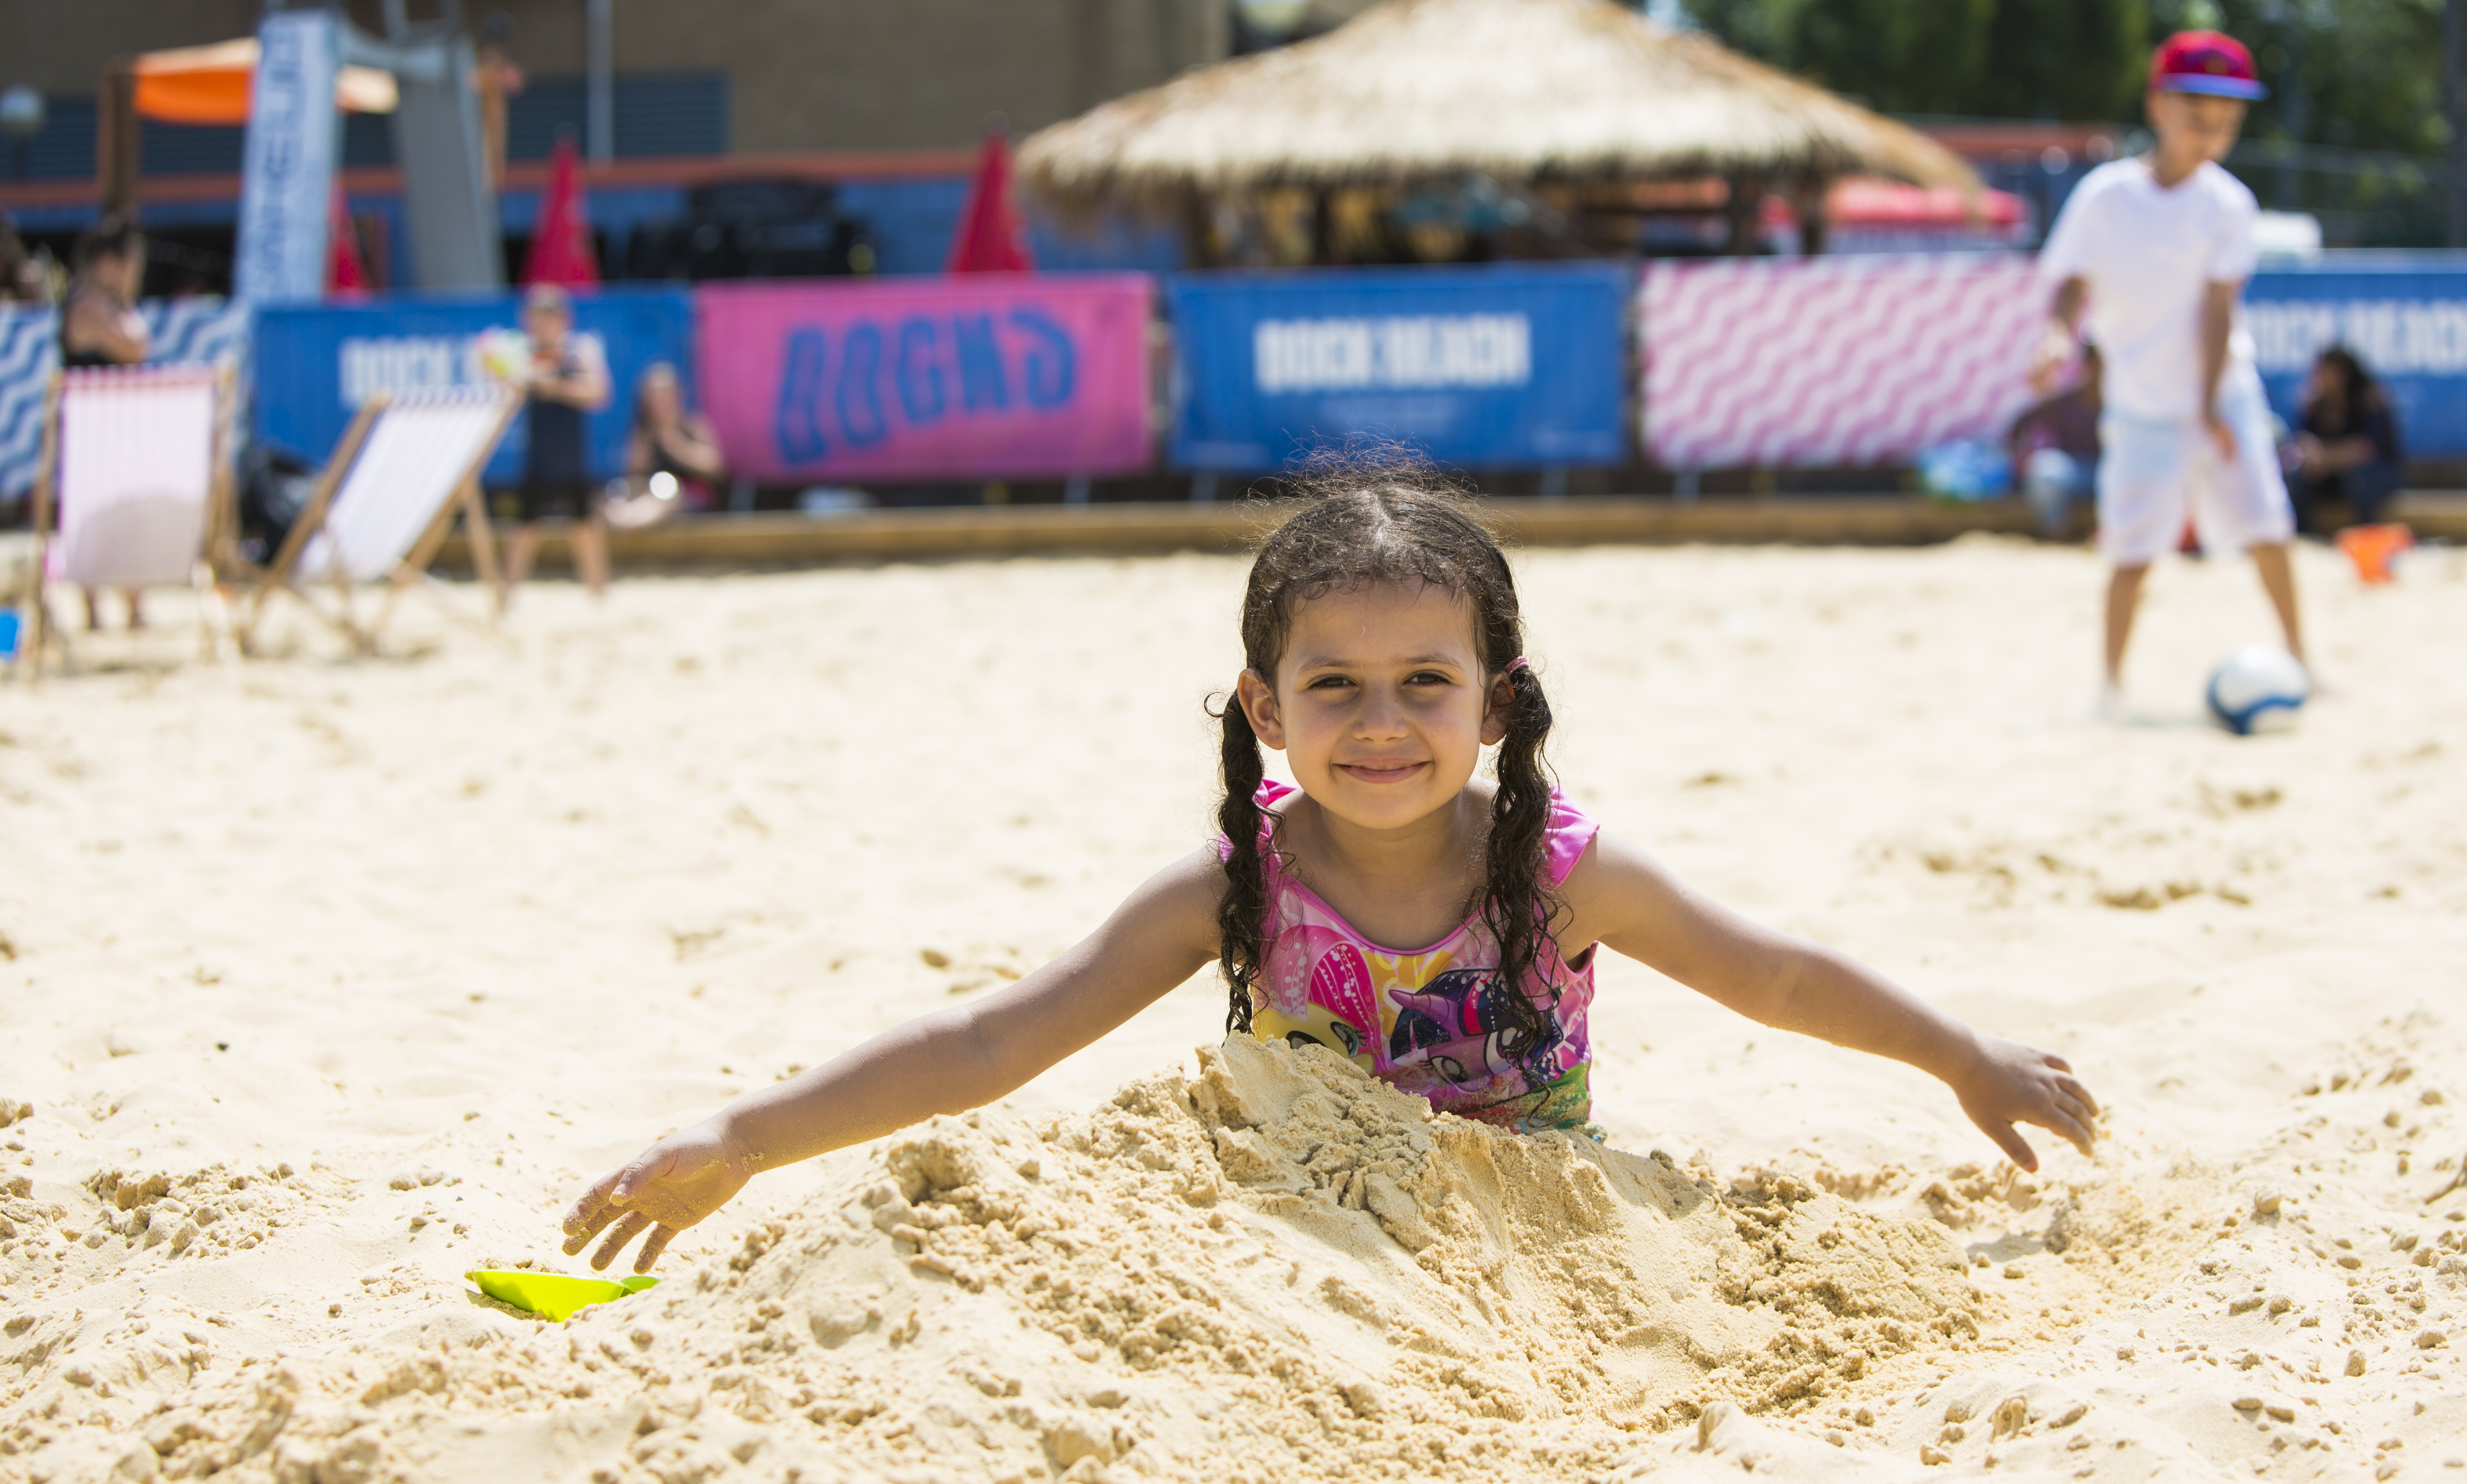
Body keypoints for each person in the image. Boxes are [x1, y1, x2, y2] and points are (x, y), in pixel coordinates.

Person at [562, 476, 2101, 1274]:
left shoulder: (1558, 874)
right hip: (1293, 1239)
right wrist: (744, 1135)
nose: (1379, 724)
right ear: (1264, 706)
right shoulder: (1229, 887)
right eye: (1334, 687)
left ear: (1494, 701)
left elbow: (1769, 972)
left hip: (1540, 1237)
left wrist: (1957, 1054)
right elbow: (987, 1041)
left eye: (1424, 682)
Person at [2030, 30, 2303, 717]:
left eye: (2226, 114)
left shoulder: (2228, 205)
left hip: (2223, 396)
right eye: (2197, 108)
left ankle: (2301, 663)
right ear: (2157, 105)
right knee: (2129, 549)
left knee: (2266, 526)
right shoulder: (2104, 196)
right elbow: (2069, 281)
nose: (2211, 125)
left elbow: (2216, 313)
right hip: (2140, 402)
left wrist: (2210, 405)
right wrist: (2057, 337)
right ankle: (2110, 687)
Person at [61, 215, 152, 632]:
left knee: (126, 519)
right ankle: (99, 610)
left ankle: (129, 606)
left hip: (113, 429)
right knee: (100, 520)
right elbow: (135, 347)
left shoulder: (101, 304)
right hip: (92, 432)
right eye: (132, 265)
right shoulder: (88, 305)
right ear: (110, 264)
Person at [500, 283, 613, 608]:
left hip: (571, 455)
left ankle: (598, 596)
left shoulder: (579, 350)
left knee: (586, 526)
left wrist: (552, 385)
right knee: (524, 527)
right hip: (538, 455)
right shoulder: (523, 355)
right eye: (534, 318)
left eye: (545, 317)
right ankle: (509, 598)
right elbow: (506, 398)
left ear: (562, 319)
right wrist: (510, 379)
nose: (539, 325)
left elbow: (598, 393)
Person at [2284, 345, 2403, 532]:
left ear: (2343, 373)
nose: (2319, 377)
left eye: (2325, 371)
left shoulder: (2370, 399)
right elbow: (2300, 441)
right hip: (2330, 478)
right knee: (2297, 475)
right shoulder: (2314, 402)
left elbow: (2366, 449)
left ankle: (2366, 535)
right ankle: (2301, 536)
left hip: (2377, 477)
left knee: (2357, 478)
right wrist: (2311, 454)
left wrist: (2328, 459)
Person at [2005, 342, 2103, 542]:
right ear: (2087, 364)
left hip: (2113, 473)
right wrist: (2020, 457)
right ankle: (2057, 537)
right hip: (2074, 473)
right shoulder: (2065, 403)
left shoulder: (2124, 407)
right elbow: (2020, 426)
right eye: (2097, 363)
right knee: (2047, 470)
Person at [622, 361, 724, 511]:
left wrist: (675, 446)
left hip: (691, 499)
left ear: (677, 395)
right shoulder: (644, 431)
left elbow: (716, 468)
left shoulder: (693, 426)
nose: (658, 400)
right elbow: (632, 473)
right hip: (650, 497)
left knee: (667, 501)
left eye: (664, 393)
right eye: (653, 395)